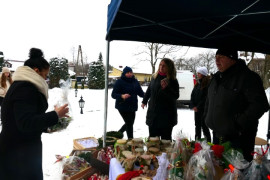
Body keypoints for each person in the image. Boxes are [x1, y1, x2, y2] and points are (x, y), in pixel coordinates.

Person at [0, 48, 69, 180]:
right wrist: (55, 115)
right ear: (36, 71)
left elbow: (22, 119)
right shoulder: (25, 88)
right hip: (19, 155)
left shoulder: (22, 85)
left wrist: (48, 126)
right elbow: (26, 123)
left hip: (19, 150)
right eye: (45, 75)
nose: (46, 79)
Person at [204, 47, 269, 161]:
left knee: (235, 175)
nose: (217, 60)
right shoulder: (216, 78)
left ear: (232, 59)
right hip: (217, 135)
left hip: (238, 139)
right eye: (216, 57)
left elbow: (260, 105)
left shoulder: (247, 77)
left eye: (221, 57)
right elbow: (209, 100)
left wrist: (238, 124)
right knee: (219, 172)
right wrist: (206, 116)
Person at [142, 58, 179, 140]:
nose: (161, 67)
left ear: (169, 68)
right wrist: (144, 101)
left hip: (166, 117)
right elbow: (149, 90)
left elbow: (176, 96)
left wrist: (167, 88)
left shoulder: (173, 80)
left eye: (164, 66)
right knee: (153, 141)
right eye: (160, 65)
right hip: (153, 114)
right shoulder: (154, 77)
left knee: (165, 142)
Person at [111, 66, 144, 139]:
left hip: (132, 106)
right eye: (127, 73)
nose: (129, 74)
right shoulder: (119, 82)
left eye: (130, 72)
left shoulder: (135, 81)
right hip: (122, 106)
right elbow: (113, 94)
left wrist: (147, 95)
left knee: (130, 123)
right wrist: (122, 96)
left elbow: (140, 93)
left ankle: (118, 134)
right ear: (124, 73)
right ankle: (130, 140)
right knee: (129, 124)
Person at [190, 67, 211, 142]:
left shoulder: (207, 84)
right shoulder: (197, 84)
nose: (197, 74)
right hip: (197, 110)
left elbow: (205, 98)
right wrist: (192, 105)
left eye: (199, 73)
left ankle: (208, 142)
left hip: (203, 110)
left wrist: (198, 107)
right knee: (197, 126)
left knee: (204, 126)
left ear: (203, 74)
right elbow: (192, 95)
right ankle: (197, 141)